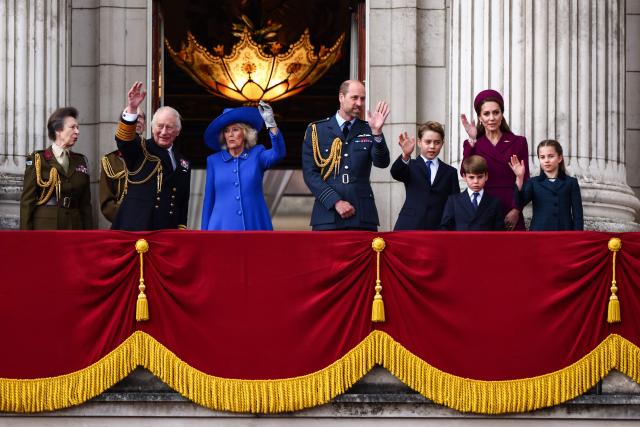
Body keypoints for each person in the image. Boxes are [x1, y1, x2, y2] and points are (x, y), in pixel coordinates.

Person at [302, 79, 390, 231]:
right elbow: (310, 174)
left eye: (362, 98)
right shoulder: (317, 130)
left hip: (362, 214)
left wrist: (377, 132)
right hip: (327, 215)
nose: (359, 103)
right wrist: (335, 202)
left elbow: (382, 163)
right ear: (341, 97)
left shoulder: (369, 128)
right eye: (354, 97)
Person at [111, 81, 191, 231]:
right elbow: (123, 140)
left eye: (170, 127)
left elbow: (182, 199)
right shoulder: (140, 148)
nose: (164, 132)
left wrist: (181, 227)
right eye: (160, 126)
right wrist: (132, 108)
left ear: (178, 131)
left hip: (167, 229)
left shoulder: (183, 161)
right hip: (136, 227)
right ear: (152, 127)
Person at [201, 101, 285, 230]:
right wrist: (204, 234)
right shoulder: (214, 161)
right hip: (221, 227)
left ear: (245, 133)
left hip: (254, 224)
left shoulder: (257, 154)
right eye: (227, 131)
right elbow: (209, 200)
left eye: (235, 130)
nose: (230, 134)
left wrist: (271, 123)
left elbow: (278, 153)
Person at [460, 89, 530, 231]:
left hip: (510, 205)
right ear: (480, 117)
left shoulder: (519, 142)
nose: (491, 118)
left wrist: (517, 210)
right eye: (486, 114)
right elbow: (464, 172)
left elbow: (526, 180)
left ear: (502, 114)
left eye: (496, 112)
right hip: (483, 207)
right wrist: (472, 140)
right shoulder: (473, 143)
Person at [20, 107, 93, 230]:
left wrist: (89, 236)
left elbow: (85, 205)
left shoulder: (81, 161)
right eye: (72, 127)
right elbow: (27, 202)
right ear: (58, 130)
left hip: (75, 227)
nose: (77, 131)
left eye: (78, 128)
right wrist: (26, 239)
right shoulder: (37, 159)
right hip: (46, 227)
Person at [391, 121, 460, 230]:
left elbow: (454, 204)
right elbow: (396, 173)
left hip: (438, 228)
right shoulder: (410, 165)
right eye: (428, 142)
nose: (432, 146)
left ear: (442, 143)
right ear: (419, 142)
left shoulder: (450, 172)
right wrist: (405, 155)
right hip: (410, 225)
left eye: (437, 142)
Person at [509, 140, 583, 230]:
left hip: (565, 233)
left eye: (551, 156)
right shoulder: (533, 182)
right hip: (539, 234)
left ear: (559, 158)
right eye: (542, 157)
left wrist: (577, 236)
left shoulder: (571, 182)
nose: (546, 160)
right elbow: (519, 203)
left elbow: (578, 215)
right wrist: (519, 178)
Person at [99, 108, 146, 223]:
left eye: (141, 117)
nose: (138, 120)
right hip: (121, 223)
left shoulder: (153, 156)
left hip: (148, 222)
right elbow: (107, 202)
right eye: (134, 117)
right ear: (123, 124)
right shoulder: (109, 161)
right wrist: (124, 218)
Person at [441, 155, 504, 231]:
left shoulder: (495, 202)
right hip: (460, 242)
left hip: (486, 242)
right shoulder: (453, 201)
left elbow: (499, 232)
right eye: (471, 177)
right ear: (464, 177)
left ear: (486, 176)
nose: (476, 181)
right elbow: (445, 228)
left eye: (480, 177)